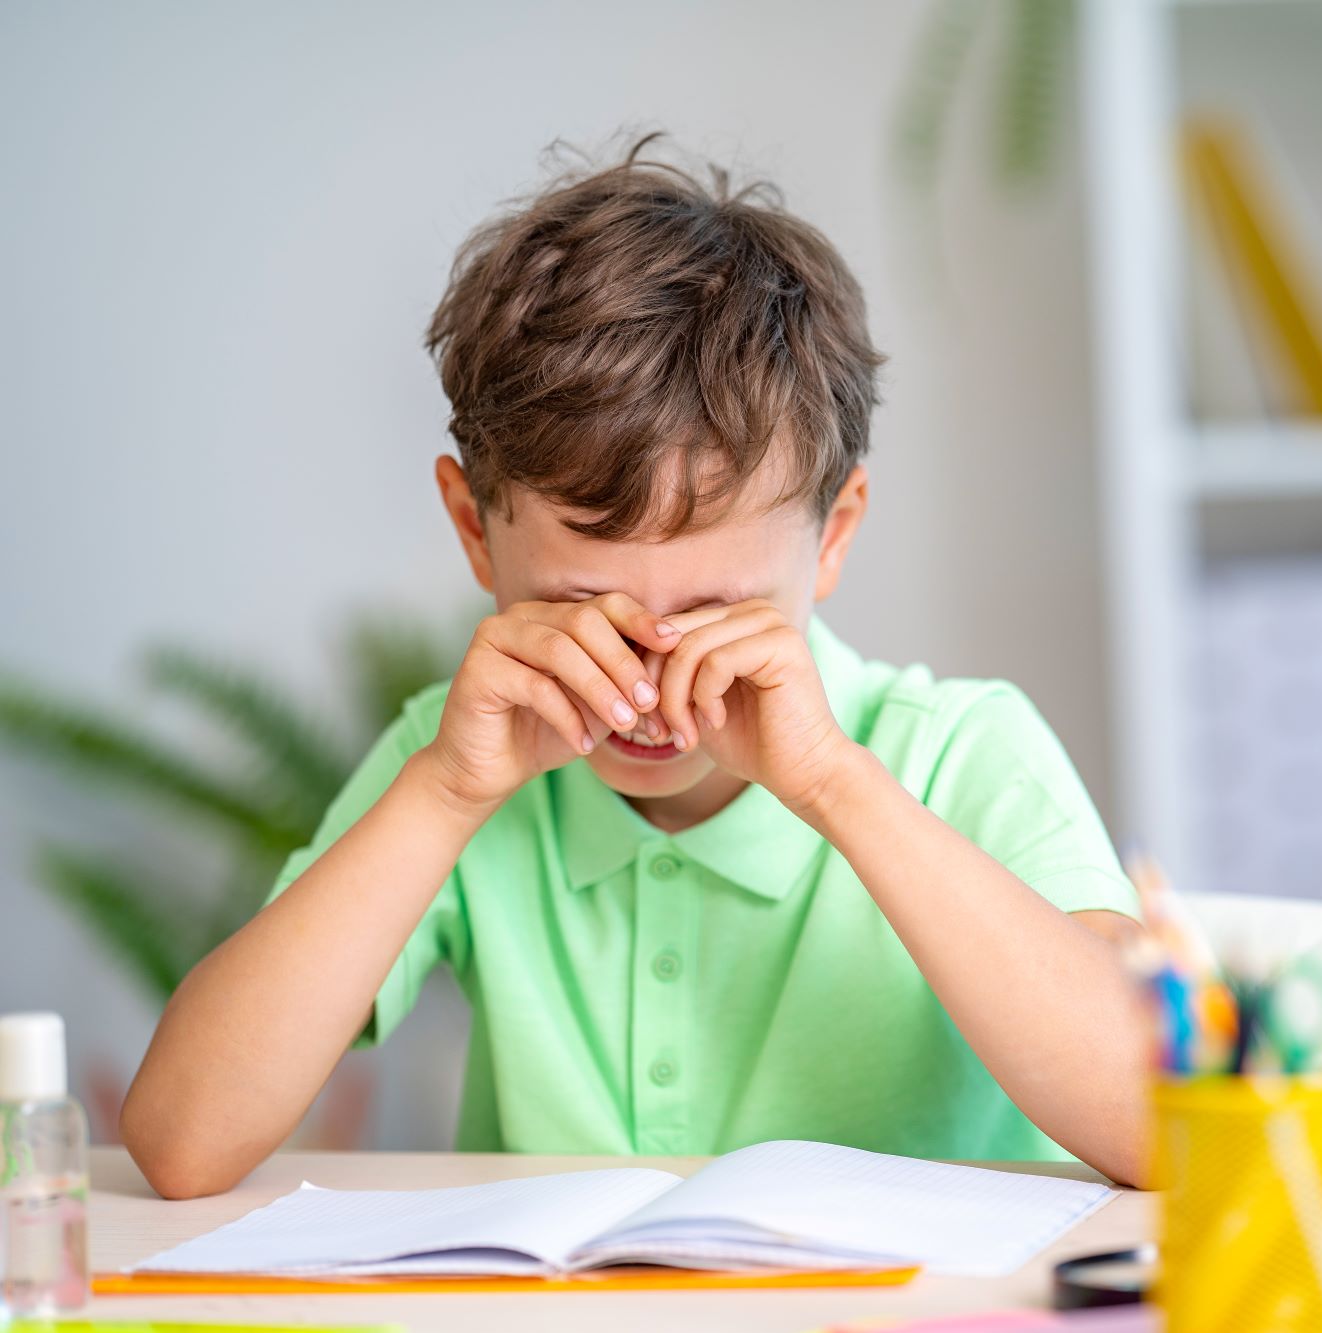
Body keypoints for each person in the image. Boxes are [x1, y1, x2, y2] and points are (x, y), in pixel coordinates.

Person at [121, 136, 1151, 1198]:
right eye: (580, 609)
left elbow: (1161, 1127)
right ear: (475, 534)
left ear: (834, 536)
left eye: (717, 614)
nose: (652, 680)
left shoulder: (961, 753)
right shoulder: (455, 755)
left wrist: (835, 784)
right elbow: (183, 1141)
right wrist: (441, 794)